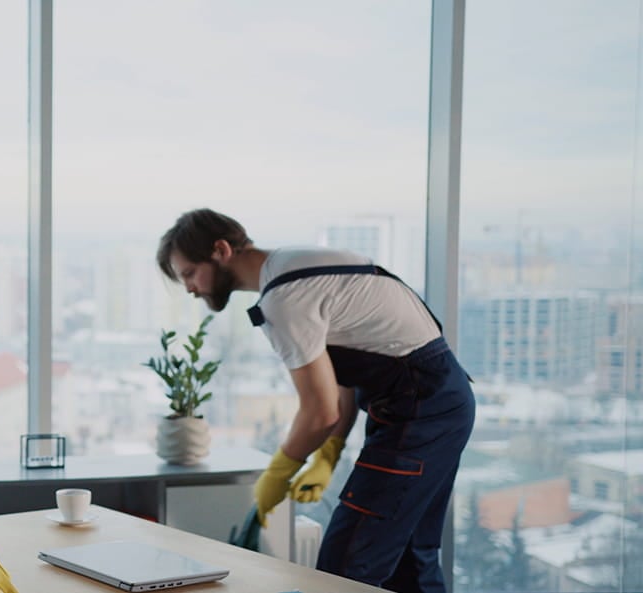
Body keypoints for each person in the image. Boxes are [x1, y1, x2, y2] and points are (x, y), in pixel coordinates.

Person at [156, 208, 475, 593]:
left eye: (190, 273)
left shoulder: (283, 299)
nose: (190, 288)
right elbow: (346, 368)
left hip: (421, 409)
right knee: (410, 558)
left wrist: (279, 471)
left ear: (221, 250)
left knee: (344, 567)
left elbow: (320, 410)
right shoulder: (298, 262)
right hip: (442, 399)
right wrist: (330, 452)